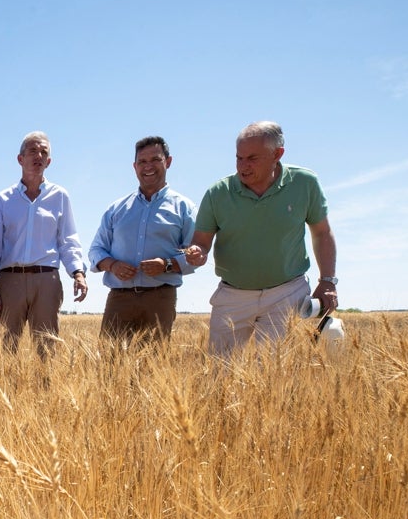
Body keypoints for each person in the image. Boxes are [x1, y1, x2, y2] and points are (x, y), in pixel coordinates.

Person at [185, 121, 338, 355]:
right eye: (239, 158)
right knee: (219, 374)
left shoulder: (305, 183)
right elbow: (201, 242)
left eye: (252, 158)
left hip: (287, 293)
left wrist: (327, 281)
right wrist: (197, 252)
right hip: (233, 295)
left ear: (277, 154)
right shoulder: (217, 193)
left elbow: (322, 232)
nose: (243, 167)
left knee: (278, 376)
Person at [89, 136, 197, 344]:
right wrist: (113, 265)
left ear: (168, 161)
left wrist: (165, 265)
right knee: (110, 368)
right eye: (142, 162)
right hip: (119, 298)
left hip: (160, 298)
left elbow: (195, 253)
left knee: (153, 366)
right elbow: (96, 249)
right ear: (134, 166)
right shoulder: (117, 209)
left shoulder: (184, 207)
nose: (148, 167)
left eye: (155, 160)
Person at [0, 132, 87, 356]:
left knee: (47, 350)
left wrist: (78, 273)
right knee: (6, 349)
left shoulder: (60, 196)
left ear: (49, 161)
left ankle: (46, 391)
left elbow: (68, 239)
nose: (38, 155)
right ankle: (7, 391)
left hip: (47, 280)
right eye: (33, 151)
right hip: (10, 280)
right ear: (20, 159)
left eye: (44, 152)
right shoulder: (3, 199)